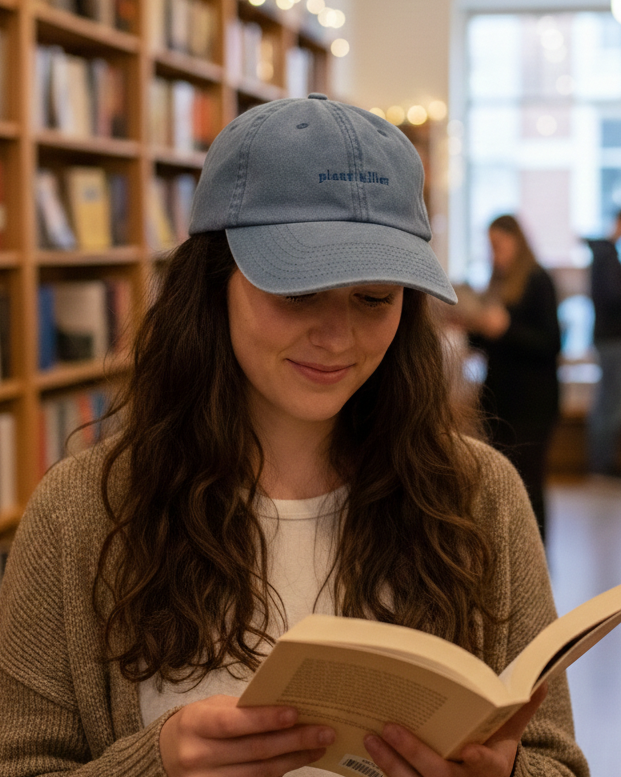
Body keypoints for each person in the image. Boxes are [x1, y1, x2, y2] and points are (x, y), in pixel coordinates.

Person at [0, 96, 586, 777]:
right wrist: (153, 764)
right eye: (297, 291)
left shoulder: (479, 498)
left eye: (374, 298)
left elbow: (555, 760)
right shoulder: (82, 514)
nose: (337, 337)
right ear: (213, 282)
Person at [466, 215, 561, 544]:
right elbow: (485, 344)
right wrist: (472, 326)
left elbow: (550, 343)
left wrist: (506, 329)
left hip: (533, 403)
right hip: (500, 399)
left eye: (498, 246)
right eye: (490, 247)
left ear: (516, 242)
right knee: (500, 484)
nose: (494, 254)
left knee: (531, 486)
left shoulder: (538, 280)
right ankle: (509, 553)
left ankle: (537, 563)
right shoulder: (496, 281)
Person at [584, 212, 621, 477]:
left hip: (606, 336)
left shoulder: (602, 254)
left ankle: (601, 462)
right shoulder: (607, 256)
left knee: (607, 400)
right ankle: (601, 464)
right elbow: (613, 297)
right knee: (609, 402)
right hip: (612, 337)